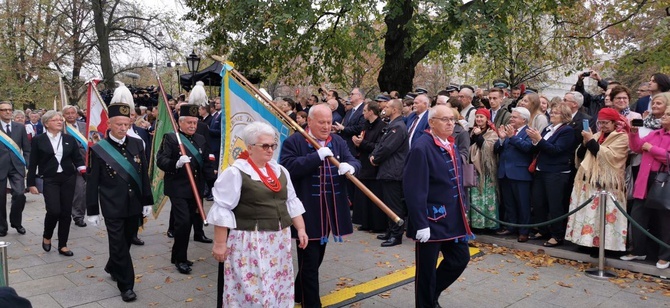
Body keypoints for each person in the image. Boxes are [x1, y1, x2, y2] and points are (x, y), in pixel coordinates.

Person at [208, 122, 308, 306]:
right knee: (253, 289)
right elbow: (222, 208)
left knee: (278, 285)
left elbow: (291, 201)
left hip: (278, 241)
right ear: (250, 147)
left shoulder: (280, 170)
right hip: (250, 240)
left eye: (272, 145)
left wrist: (300, 229)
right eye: (265, 146)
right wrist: (220, 243)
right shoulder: (236, 172)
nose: (270, 150)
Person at [279, 103, 360, 307]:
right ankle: (311, 303)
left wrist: (351, 166)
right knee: (310, 262)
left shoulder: (339, 141)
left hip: (330, 212)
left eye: (329, 122)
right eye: (321, 122)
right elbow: (288, 168)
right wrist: (315, 157)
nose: (326, 126)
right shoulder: (294, 141)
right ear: (309, 121)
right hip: (306, 212)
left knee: (314, 260)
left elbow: (354, 160)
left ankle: (297, 292)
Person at [403, 105, 473, 308]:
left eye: (452, 119)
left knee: (460, 258)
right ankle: (426, 303)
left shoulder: (449, 142)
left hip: (452, 218)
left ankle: (431, 294)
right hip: (430, 220)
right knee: (425, 270)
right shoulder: (421, 147)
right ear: (432, 122)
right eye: (444, 119)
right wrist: (420, 222)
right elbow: (414, 189)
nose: (450, 123)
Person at [86, 102, 153, 302]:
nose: (123, 128)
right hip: (112, 205)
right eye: (119, 124)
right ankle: (126, 286)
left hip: (134, 204)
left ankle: (112, 266)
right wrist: (92, 210)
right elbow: (93, 182)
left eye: (126, 124)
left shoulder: (137, 144)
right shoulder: (98, 149)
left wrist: (147, 201)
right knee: (117, 243)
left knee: (126, 240)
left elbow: (143, 175)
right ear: (109, 124)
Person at [157, 103, 216, 274]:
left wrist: (215, 185)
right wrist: (176, 163)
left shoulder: (201, 139)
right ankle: (180, 259)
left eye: (195, 123)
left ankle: (177, 255)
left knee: (189, 222)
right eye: (189, 122)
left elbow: (206, 164)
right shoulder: (171, 138)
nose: (192, 126)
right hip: (177, 188)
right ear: (180, 123)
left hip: (195, 188)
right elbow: (160, 160)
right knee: (182, 222)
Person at [564, 108, 629, 252]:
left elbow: (612, 157)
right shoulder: (597, 134)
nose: (603, 126)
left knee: (604, 216)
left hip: (608, 184)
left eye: (606, 123)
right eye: (600, 123)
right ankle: (586, 243)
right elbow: (581, 154)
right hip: (589, 181)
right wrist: (585, 142)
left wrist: (591, 141)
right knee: (588, 215)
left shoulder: (622, 137)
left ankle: (605, 247)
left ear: (614, 123)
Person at [620, 92, 670, 269]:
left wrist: (653, 149)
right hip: (645, 178)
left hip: (664, 181)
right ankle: (639, 250)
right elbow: (637, 147)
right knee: (638, 215)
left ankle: (665, 255)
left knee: (665, 219)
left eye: (668, 114)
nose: (664, 117)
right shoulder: (655, 133)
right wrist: (633, 133)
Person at [27, 110, 85, 256]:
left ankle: (63, 245)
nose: (60, 121)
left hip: (67, 177)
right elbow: (33, 162)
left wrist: (83, 170)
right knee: (54, 210)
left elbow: (77, 158)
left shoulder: (69, 139)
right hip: (50, 178)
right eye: (55, 120)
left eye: (61, 119)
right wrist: (31, 183)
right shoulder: (38, 140)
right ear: (46, 123)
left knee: (66, 212)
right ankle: (47, 235)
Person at [526, 104, 575, 246]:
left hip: (557, 172)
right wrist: (535, 140)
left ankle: (557, 235)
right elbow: (539, 147)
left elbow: (556, 150)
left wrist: (539, 140)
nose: (552, 115)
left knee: (555, 205)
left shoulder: (567, 131)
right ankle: (542, 229)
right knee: (538, 202)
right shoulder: (548, 128)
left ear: (564, 116)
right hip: (541, 169)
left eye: (556, 113)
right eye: (551, 112)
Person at [370, 99, 408, 246]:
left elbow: (387, 148)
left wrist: (376, 158)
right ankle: (391, 230)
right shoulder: (392, 125)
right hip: (388, 169)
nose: (384, 109)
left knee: (394, 204)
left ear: (395, 110)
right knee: (388, 202)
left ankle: (396, 234)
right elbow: (381, 144)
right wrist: (373, 155)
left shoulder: (398, 127)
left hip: (393, 171)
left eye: (387, 107)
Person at [494, 107, 534, 242]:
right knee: (509, 203)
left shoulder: (529, 132)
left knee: (523, 204)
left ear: (524, 119)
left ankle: (524, 231)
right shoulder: (508, 131)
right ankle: (510, 226)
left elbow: (528, 148)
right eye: (511, 117)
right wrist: (501, 139)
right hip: (505, 172)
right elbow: (497, 149)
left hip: (520, 173)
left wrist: (512, 137)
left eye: (514, 117)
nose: (511, 119)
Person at [351, 101, 387, 233]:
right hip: (364, 163)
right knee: (363, 195)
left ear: (371, 112)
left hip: (373, 165)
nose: (363, 113)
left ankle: (376, 224)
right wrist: (357, 142)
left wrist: (363, 143)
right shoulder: (366, 125)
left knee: (374, 194)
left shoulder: (382, 126)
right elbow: (363, 139)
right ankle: (365, 222)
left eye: (365, 111)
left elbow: (378, 146)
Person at [0, 101, 30, 237]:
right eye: (4, 110)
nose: (7, 112)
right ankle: (2, 226)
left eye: (9, 109)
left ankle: (16, 222)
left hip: (17, 166)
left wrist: (28, 164)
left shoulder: (20, 127)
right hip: (0, 167)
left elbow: (27, 149)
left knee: (19, 194)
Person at [468, 108, 500, 230]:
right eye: (477, 117)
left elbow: (488, 149)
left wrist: (478, 135)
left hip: (486, 171)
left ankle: (488, 224)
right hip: (474, 171)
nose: (479, 119)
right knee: (475, 198)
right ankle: (475, 223)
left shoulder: (492, 133)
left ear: (487, 119)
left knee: (487, 197)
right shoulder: (471, 132)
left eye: (482, 117)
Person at [62, 105, 88, 228]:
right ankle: (65, 213)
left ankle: (78, 216)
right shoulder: (60, 127)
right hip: (66, 164)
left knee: (80, 191)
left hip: (83, 163)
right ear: (64, 115)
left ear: (77, 114)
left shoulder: (85, 126)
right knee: (66, 192)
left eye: (73, 112)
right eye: (68, 113)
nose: (71, 115)